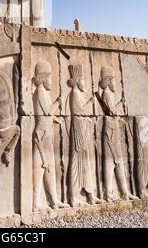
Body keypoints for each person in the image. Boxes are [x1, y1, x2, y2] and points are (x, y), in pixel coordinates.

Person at [32, 60, 68, 210]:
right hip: (41, 135)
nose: (50, 80)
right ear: (42, 78)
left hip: (46, 134)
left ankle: (54, 200)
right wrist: (58, 102)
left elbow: (48, 115)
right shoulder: (39, 92)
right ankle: (35, 203)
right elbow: (47, 112)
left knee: (50, 169)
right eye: (49, 77)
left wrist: (55, 119)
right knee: (40, 169)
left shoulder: (43, 92)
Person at [98, 66, 137, 202]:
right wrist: (121, 103)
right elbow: (112, 112)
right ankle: (109, 194)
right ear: (108, 80)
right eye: (113, 79)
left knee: (118, 163)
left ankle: (125, 192)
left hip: (113, 128)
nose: (114, 82)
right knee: (110, 163)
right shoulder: (107, 94)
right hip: (110, 131)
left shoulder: (109, 93)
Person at [67, 64, 101, 206]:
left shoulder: (79, 93)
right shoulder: (74, 94)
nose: (84, 82)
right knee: (76, 165)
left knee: (86, 164)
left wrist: (89, 120)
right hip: (79, 133)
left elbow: (83, 114)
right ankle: (73, 197)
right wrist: (90, 102)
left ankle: (90, 194)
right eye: (83, 79)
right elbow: (79, 111)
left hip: (83, 130)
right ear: (77, 80)